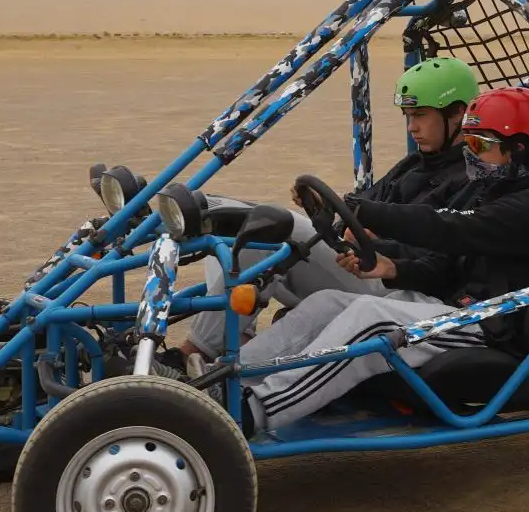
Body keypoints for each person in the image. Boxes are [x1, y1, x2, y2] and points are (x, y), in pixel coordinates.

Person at [234, 87, 529, 434]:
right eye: (468, 143)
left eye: (480, 145)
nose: (470, 155)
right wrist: (394, 269)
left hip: (491, 324)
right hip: (451, 308)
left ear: (518, 149)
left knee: (371, 319)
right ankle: (230, 381)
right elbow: (445, 262)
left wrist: (363, 210)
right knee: (329, 303)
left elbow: (448, 228)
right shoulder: (490, 189)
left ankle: (254, 410)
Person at [177, 56, 478, 363]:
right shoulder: (415, 165)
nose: (412, 127)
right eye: (408, 115)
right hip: (360, 264)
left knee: (269, 231)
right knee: (229, 222)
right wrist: (326, 207)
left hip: (398, 286)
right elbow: (361, 206)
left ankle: (192, 353)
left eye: (421, 115)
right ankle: (233, 339)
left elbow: (442, 254)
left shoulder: (470, 178)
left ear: (458, 113)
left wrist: (377, 241)